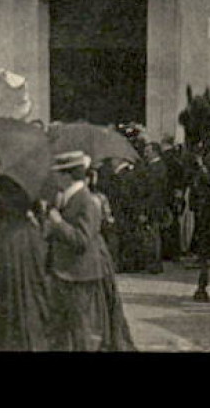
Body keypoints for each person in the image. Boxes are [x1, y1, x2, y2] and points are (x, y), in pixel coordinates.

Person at [44, 150, 135, 351]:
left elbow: (82, 240)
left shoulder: (86, 201)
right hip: (65, 271)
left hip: (80, 273)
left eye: (58, 174)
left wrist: (57, 223)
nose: (55, 178)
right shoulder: (65, 197)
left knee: (80, 326)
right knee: (61, 326)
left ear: (67, 176)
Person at [0, 174, 52, 350]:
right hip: (29, 240)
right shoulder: (32, 180)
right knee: (31, 290)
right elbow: (38, 213)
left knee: (0, 292)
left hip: (6, 241)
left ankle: (2, 339)